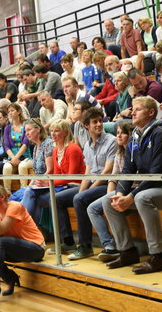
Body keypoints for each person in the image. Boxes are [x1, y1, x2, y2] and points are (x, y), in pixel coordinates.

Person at [102, 96, 162, 273]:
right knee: (108, 200)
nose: (132, 111)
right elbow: (127, 170)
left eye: (138, 108)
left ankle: (159, 256)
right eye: (132, 108)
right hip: (154, 188)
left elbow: (156, 174)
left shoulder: (161, 134)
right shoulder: (135, 135)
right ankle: (127, 251)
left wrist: (131, 197)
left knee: (142, 198)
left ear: (151, 112)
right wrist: (120, 193)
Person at [57, 108, 116, 260]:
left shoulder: (111, 141)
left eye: (100, 121)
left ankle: (85, 246)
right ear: (86, 126)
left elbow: (108, 171)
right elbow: (87, 173)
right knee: (58, 198)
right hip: (93, 183)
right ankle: (68, 240)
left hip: (107, 184)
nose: (99, 124)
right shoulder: (88, 145)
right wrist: (81, 191)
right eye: (94, 122)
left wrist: (85, 192)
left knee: (80, 199)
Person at [0, 184, 45, 307]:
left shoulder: (14, 206)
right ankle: (9, 278)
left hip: (35, 248)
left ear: (2, 197)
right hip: (17, 249)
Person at [21, 119, 85, 228]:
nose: (53, 134)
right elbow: (56, 174)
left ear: (65, 132)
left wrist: (47, 183)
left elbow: (72, 177)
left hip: (76, 185)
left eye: (56, 131)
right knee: (32, 194)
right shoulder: (55, 150)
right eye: (51, 131)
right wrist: (44, 183)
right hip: (63, 186)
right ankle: (34, 233)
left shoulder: (73, 148)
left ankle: (26, 229)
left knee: (41, 197)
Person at [88, 121, 135, 262]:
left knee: (103, 203)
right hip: (121, 190)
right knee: (92, 208)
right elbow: (113, 178)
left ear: (131, 135)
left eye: (123, 133)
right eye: (117, 132)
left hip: (133, 190)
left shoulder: (134, 151)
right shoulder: (119, 152)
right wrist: (110, 196)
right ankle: (109, 246)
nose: (118, 136)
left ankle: (123, 249)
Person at [3, 103, 33, 192]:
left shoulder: (26, 126)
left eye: (12, 111)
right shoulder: (7, 128)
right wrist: (13, 158)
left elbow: (25, 143)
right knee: (6, 167)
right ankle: (7, 192)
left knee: (22, 166)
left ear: (19, 111)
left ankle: (23, 191)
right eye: (9, 112)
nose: (10, 113)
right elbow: (6, 145)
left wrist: (16, 157)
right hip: (12, 158)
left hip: (26, 157)